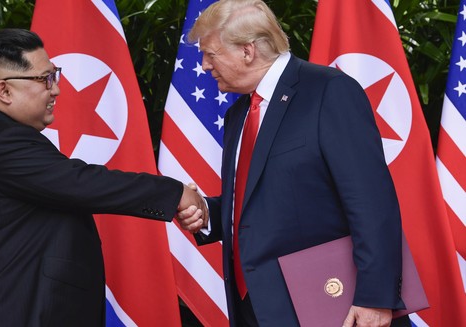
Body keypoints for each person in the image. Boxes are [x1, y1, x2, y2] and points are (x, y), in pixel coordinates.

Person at [0, 28, 205, 327]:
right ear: (5, 90)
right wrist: (174, 193)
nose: (55, 89)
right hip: (11, 313)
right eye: (45, 79)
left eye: (54, 74)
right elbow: (82, 183)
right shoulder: (3, 142)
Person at [175, 1, 409, 326]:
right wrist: (207, 212)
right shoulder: (238, 113)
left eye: (211, 54)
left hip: (330, 306)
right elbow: (267, 202)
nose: (203, 65)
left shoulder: (329, 91)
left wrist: (376, 297)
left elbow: (371, 201)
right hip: (255, 308)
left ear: (247, 51)